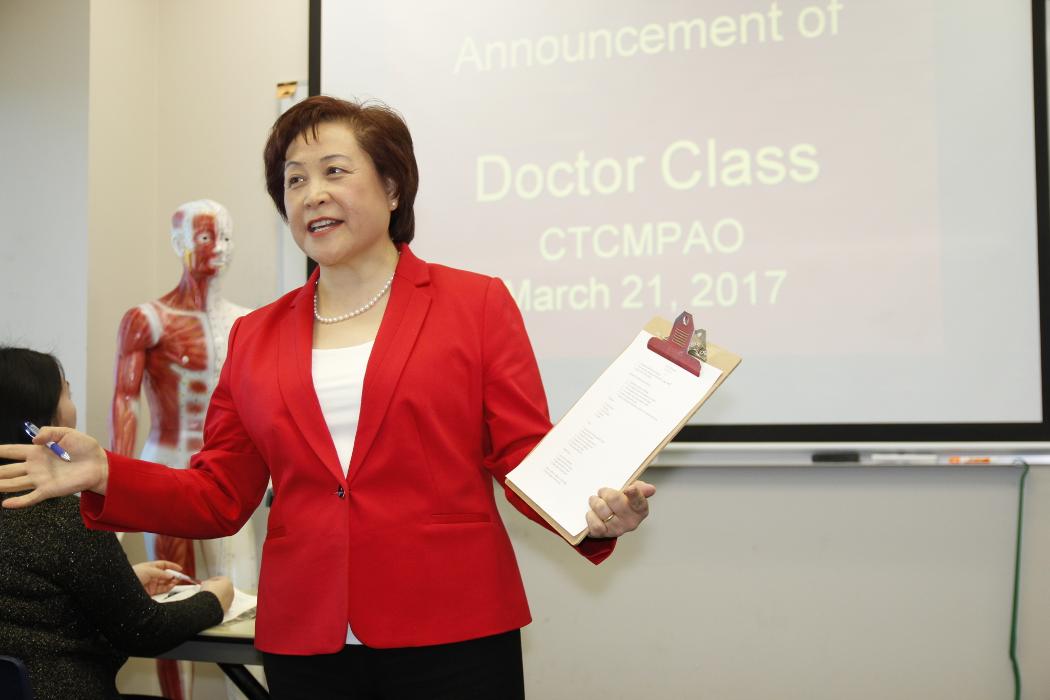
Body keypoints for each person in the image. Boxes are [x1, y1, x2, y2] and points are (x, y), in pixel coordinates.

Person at [0, 95, 656, 699]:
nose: (312, 194)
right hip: (307, 639)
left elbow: (523, 455)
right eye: (294, 180)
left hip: (452, 627)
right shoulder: (256, 335)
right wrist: (106, 471)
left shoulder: (475, 304)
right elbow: (219, 492)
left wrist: (593, 512)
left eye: (335, 171)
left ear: (392, 187)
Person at [0, 346, 235, 700]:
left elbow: (36, 608)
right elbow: (143, 630)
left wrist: (122, 584)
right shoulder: (67, 517)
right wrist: (214, 599)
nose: (73, 407)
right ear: (41, 422)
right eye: (67, 393)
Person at [110, 199, 258, 700]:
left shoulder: (248, 323)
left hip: (231, 473)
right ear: (179, 244)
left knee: (245, 590)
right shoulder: (148, 319)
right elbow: (125, 402)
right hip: (168, 468)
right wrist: (115, 491)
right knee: (171, 597)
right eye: (207, 237)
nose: (220, 249)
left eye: (227, 237)